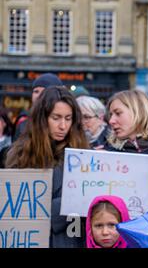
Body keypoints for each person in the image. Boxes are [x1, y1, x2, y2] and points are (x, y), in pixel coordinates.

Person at [5, 86, 89, 247]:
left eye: (68, 118)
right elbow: (20, 209)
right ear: (42, 119)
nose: (63, 126)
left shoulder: (83, 154)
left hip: (72, 239)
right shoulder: (20, 154)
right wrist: (69, 203)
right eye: (56, 118)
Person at [13, 73, 63, 141]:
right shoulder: (23, 123)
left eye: (44, 91)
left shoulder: (65, 124)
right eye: (36, 91)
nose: (38, 95)